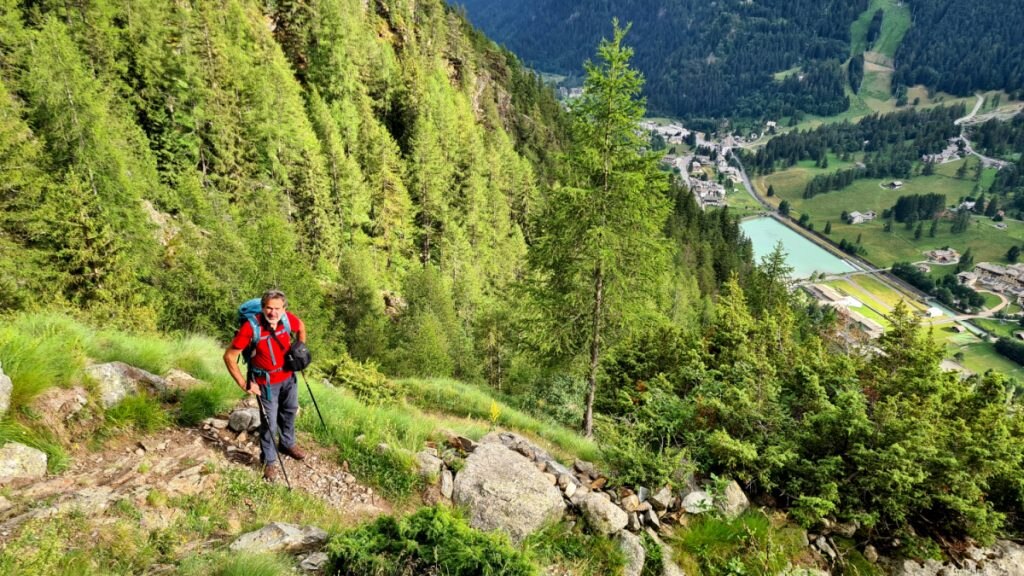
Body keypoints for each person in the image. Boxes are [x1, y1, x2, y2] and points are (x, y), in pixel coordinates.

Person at [223, 289, 308, 481]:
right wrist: (244, 384)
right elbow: (229, 356)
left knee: (289, 411)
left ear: (284, 309)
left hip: (288, 378)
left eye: (277, 308)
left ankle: (287, 444)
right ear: (262, 308)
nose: (273, 313)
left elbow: (301, 326)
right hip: (265, 384)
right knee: (269, 423)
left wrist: (300, 351)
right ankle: (268, 461)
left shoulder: (287, 319)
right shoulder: (250, 328)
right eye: (269, 308)